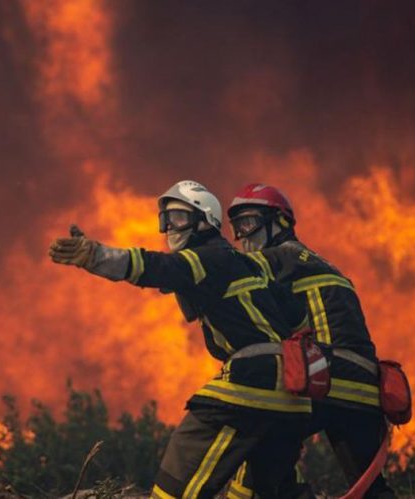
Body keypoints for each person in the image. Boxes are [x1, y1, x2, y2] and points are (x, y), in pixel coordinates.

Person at [49, 180, 309, 499]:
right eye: (166, 219)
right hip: (292, 396)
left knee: (177, 476)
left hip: (253, 382)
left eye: (180, 218)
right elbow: (298, 316)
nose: (170, 227)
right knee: (262, 492)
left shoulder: (208, 256)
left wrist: (96, 256)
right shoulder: (248, 264)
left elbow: (156, 267)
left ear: (205, 221)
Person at [227, 183, 394, 498]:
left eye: (249, 222)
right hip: (362, 387)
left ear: (279, 222)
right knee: (370, 488)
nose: (243, 234)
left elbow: (229, 273)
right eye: (237, 227)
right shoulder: (316, 261)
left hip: (326, 381)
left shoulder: (277, 259)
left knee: (260, 455)